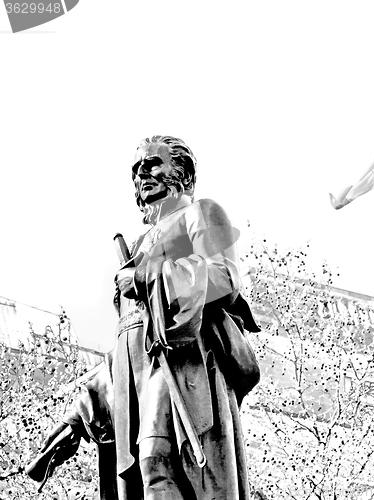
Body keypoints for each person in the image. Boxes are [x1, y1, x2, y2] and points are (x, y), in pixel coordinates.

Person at [27, 136, 260, 499]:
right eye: (136, 169)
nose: (142, 174)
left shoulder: (199, 213)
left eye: (152, 163)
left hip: (185, 369)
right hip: (138, 383)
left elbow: (224, 278)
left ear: (180, 171)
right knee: (144, 474)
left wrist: (144, 277)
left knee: (156, 459)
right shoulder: (138, 248)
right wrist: (80, 415)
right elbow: (130, 346)